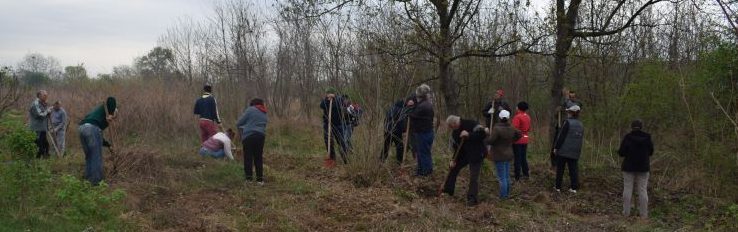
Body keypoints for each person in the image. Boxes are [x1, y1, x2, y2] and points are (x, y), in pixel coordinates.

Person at [441, 115, 486, 206]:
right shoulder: (455, 133)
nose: (451, 128)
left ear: (454, 123)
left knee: (474, 176)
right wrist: (453, 160)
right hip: (464, 154)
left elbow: (483, 134)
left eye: (451, 126)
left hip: (477, 153)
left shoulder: (471, 123)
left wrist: (469, 135)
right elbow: (457, 148)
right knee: (453, 168)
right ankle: (448, 190)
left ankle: (472, 198)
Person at [618, 119, 654, 219]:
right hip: (643, 167)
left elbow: (621, 152)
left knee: (628, 189)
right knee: (642, 190)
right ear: (641, 126)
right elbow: (651, 152)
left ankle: (626, 213)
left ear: (631, 127)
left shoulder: (628, 137)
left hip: (628, 167)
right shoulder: (647, 137)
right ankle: (644, 214)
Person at [79, 97, 117, 186]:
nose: (115, 118)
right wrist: (112, 114)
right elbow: (111, 99)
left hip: (82, 128)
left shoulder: (99, 115)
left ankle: (88, 179)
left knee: (90, 156)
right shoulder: (108, 110)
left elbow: (97, 136)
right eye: (115, 116)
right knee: (96, 157)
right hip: (91, 129)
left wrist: (108, 145)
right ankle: (96, 182)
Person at [486, 110, 521, 199]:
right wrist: (512, 140)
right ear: (508, 118)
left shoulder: (497, 129)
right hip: (508, 154)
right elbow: (519, 134)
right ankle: (507, 194)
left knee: (502, 178)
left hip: (499, 155)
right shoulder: (512, 128)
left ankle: (503, 196)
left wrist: (486, 136)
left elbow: (490, 141)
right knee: (506, 176)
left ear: (500, 118)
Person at [237, 98, 269, 184]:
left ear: (253, 104)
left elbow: (239, 123)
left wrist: (246, 126)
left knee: (248, 157)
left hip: (249, 136)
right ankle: (260, 180)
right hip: (260, 136)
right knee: (258, 158)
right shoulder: (264, 112)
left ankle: (249, 179)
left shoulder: (250, 109)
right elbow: (264, 124)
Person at [553, 105, 584, 193]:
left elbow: (561, 136)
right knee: (573, 170)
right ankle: (574, 188)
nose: (567, 113)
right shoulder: (581, 124)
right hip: (575, 151)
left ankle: (557, 187)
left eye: (569, 112)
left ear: (572, 113)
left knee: (560, 169)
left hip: (563, 151)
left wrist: (556, 147)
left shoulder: (567, 122)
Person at [408, 84, 435, 176]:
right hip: (424, 132)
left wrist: (410, 107)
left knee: (424, 153)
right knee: (421, 152)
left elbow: (412, 115)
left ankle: (426, 172)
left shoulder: (423, 106)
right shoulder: (426, 104)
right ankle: (421, 171)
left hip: (423, 133)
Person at [320, 88, 348, 167]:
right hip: (327, 124)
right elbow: (321, 105)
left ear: (333, 93)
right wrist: (327, 100)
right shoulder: (325, 101)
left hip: (338, 124)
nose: (328, 95)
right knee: (328, 141)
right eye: (327, 93)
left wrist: (334, 98)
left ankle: (345, 159)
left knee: (341, 142)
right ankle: (332, 158)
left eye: (329, 93)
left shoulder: (339, 99)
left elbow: (340, 104)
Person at [381, 100, 407, 164]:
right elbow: (402, 122)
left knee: (386, 146)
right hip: (396, 131)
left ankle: (382, 160)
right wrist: (404, 130)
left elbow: (385, 120)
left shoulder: (390, 109)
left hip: (387, 131)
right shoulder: (401, 111)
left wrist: (385, 129)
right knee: (400, 146)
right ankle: (399, 162)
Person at [28, 90, 52, 159]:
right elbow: (40, 115)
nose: (46, 96)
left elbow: (45, 114)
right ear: (39, 96)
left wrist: (48, 111)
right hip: (37, 129)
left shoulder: (43, 103)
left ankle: (45, 158)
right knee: (39, 146)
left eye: (46, 95)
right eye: (44, 95)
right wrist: (47, 111)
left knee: (46, 145)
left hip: (43, 128)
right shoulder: (35, 104)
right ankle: (36, 161)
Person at [512, 101, 531, 181]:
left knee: (517, 158)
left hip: (517, 140)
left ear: (519, 108)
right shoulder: (528, 117)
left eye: (516, 106)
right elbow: (529, 128)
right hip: (525, 139)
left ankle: (517, 177)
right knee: (523, 157)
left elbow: (514, 129)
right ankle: (526, 174)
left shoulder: (517, 117)